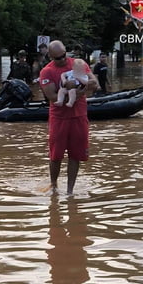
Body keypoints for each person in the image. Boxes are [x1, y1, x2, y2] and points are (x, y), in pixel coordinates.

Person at [39, 40, 98, 195]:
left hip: (79, 116)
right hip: (59, 118)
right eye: (58, 58)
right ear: (51, 57)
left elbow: (94, 83)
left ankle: (70, 190)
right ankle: (54, 186)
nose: (63, 59)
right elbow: (52, 96)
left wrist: (79, 90)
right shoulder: (47, 71)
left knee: (76, 155)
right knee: (56, 156)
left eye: (64, 55)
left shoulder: (78, 64)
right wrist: (76, 93)